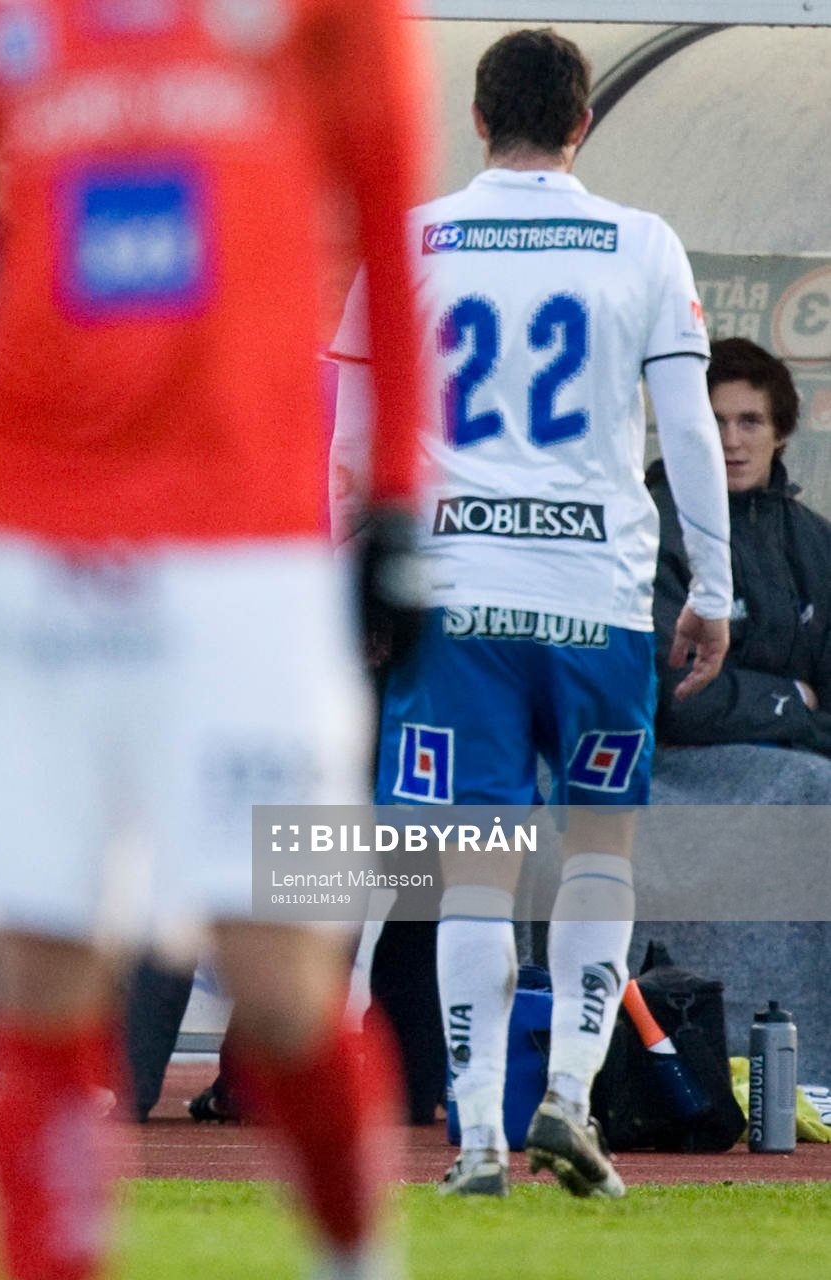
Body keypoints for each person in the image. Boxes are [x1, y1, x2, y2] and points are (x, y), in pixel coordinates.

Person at [0, 3, 433, 1278]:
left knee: (281, 977)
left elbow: (387, 222)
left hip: (247, 558)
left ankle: (356, 1253)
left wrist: (398, 493)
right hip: (33, 546)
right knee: (40, 973)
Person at [335, 29, 733, 1199]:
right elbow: (690, 429)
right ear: (582, 123)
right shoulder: (643, 242)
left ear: (476, 118)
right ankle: (568, 1090)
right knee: (600, 852)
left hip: (457, 598)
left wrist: (355, 581)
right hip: (597, 599)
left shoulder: (409, 242)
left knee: (471, 872)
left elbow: (350, 445)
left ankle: (474, 1135)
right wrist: (713, 587)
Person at [650, 337, 831, 769]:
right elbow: (677, 698)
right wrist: (793, 698)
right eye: (715, 422)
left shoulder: (818, 541)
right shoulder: (647, 526)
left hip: (802, 755)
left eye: (750, 422)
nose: (731, 441)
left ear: (780, 433)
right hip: (674, 772)